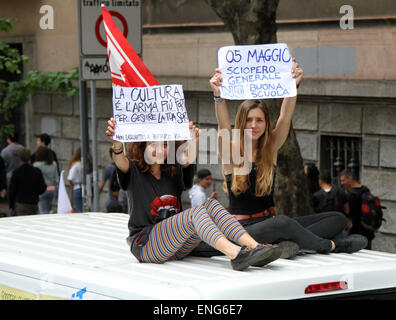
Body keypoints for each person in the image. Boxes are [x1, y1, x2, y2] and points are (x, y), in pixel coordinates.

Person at [195, 60, 368, 258]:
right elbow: (223, 125)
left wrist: (293, 85)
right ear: (241, 124)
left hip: (273, 223)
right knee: (283, 223)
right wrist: (218, 95)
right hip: (243, 231)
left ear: (266, 123)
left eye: (259, 120)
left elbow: (285, 117)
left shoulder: (271, 148)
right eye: (249, 120)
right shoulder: (230, 151)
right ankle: (330, 246)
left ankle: (289, 243)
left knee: (336, 218)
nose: (254, 125)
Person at [105, 118, 283, 271]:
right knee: (195, 213)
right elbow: (120, 160)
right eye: (153, 144)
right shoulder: (133, 170)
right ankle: (236, 253)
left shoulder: (172, 171)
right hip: (146, 244)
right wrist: (117, 144)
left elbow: (187, 159)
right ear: (142, 145)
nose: (159, 150)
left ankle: (255, 247)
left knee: (212, 205)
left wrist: (193, 141)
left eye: (165, 145)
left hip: (178, 246)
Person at [340, 169, 374, 249]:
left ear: (350, 178)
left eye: (343, 180)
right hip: (367, 228)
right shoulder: (365, 189)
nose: (342, 183)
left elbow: (349, 213)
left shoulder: (351, 195)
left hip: (356, 230)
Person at [8, 148, 46, 216]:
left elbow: (12, 190)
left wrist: (11, 205)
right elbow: (42, 188)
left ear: (19, 158)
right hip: (33, 202)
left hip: (21, 203)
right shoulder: (36, 171)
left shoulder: (17, 172)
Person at [33, 146, 59, 214]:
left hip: (42, 190)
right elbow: (56, 179)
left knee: (43, 210)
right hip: (52, 189)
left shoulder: (36, 165)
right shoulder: (54, 164)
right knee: (49, 208)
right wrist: (57, 192)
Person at [67, 147, 92, 213]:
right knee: (86, 209)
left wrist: (72, 186)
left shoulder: (76, 164)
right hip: (87, 187)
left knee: (79, 209)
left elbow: (70, 177)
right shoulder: (87, 164)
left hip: (77, 187)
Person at [99, 147, 122, 212]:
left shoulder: (108, 168)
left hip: (111, 198)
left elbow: (102, 185)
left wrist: (97, 195)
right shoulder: (125, 166)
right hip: (123, 197)